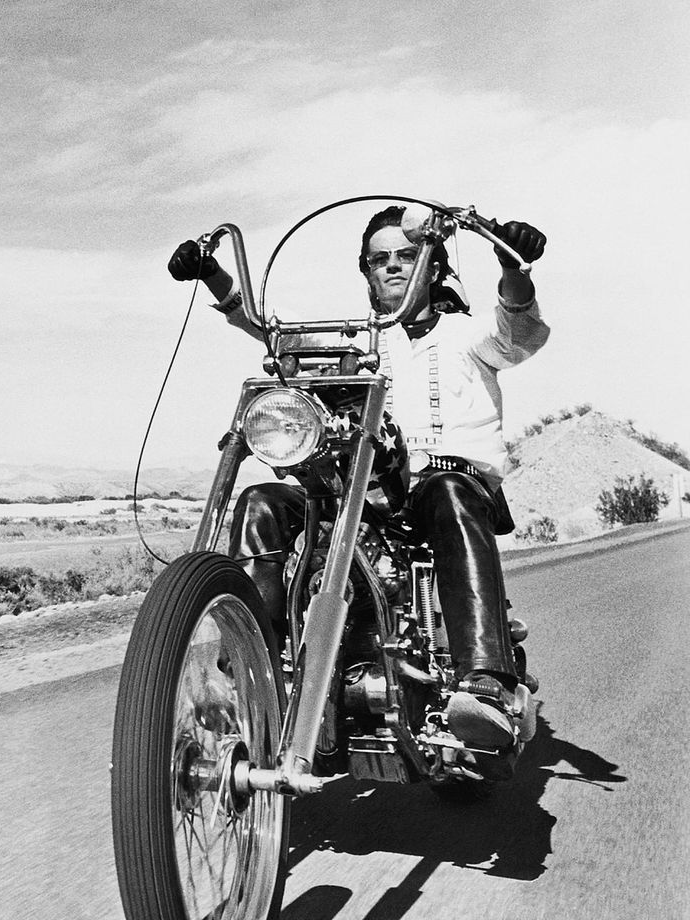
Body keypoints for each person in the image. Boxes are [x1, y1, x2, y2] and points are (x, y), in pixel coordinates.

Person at [167, 206, 548, 757]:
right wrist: (214, 275)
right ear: (367, 271)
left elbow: (518, 330)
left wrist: (514, 266)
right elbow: (275, 331)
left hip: (446, 491)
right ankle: (250, 671)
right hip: (362, 494)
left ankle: (485, 683)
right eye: (380, 258)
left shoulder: (468, 334)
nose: (393, 266)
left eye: (406, 255)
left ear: (432, 263)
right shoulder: (358, 341)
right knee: (261, 503)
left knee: (449, 488)